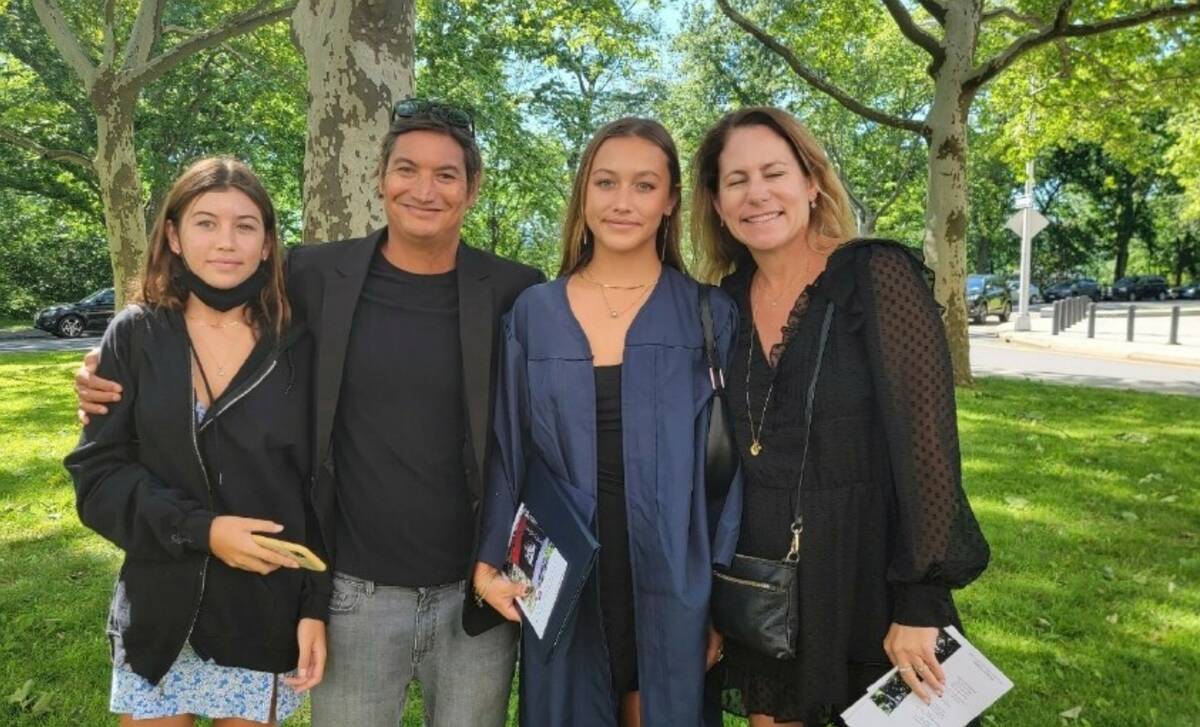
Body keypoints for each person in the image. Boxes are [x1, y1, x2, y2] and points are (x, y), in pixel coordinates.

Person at [74, 100, 545, 727]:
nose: (424, 189)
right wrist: (113, 364)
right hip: (353, 590)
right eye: (406, 169)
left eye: (446, 174)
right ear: (380, 177)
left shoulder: (517, 290)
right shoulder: (315, 275)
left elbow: (543, 418)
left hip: (473, 590)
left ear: (473, 187)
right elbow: (213, 299)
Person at [692, 107, 991, 726]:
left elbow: (929, 449)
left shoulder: (876, 275)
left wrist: (920, 600)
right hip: (764, 584)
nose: (756, 193)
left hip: (869, 571)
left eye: (774, 172)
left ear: (811, 182)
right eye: (736, 180)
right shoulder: (721, 306)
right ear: (717, 205)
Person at [471, 117, 742, 727]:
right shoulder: (534, 314)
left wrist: (721, 597)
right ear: (584, 193)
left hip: (675, 568)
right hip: (563, 570)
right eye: (606, 182)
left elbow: (732, 475)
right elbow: (508, 449)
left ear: (670, 200)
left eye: (645, 186)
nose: (623, 202)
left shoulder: (706, 314)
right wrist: (490, 559)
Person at [65, 157, 327, 726]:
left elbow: (320, 486)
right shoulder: (137, 335)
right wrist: (202, 530)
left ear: (267, 244)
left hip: (264, 609)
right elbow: (99, 479)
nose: (225, 242)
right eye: (206, 222)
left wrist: (315, 606)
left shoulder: (299, 343)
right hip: (161, 609)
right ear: (174, 236)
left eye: (245, 225)